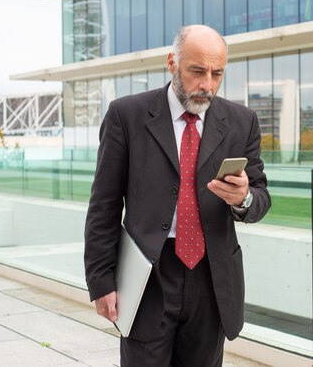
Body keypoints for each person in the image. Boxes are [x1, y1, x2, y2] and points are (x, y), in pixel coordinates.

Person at [84, 24, 271, 366]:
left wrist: (243, 198)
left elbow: (260, 197)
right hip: (147, 276)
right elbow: (103, 206)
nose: (207, 84)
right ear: (172, 62)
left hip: (212, 279)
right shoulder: (126, 116)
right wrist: (100, 280)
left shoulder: (242, 121)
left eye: (217, 74)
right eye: (197, 71)